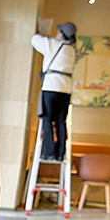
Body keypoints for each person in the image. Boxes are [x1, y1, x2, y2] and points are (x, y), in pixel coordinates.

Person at [31, 21, 76, 161]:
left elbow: (34, 40)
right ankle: (60, 153)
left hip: (51, 87)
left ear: (62, 35)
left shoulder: (53, 45)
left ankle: (48, 152)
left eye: (59, 31)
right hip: (65, 90)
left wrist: (43, 33)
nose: (57, 34)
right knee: (61, 120)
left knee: (47, 118)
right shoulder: (71, 50)